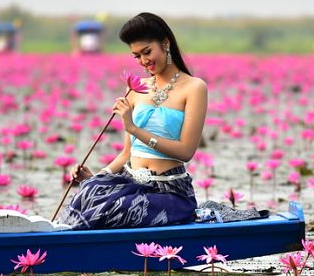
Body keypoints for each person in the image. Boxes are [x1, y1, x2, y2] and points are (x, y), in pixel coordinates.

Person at [58, 12, 208, 230]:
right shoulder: (135, 88)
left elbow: (186, 152)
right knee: (88, 193)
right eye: (136, 56)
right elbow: (127, 154)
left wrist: (134, 128)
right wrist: (97, 177)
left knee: (114, 208)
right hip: (131, 183)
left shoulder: (194, 87)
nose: (144, 61)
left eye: (147, 52)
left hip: (169, 193)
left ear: (165, 43)